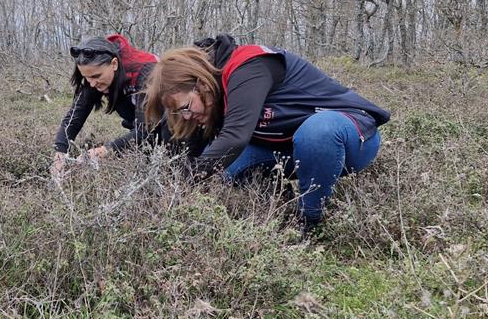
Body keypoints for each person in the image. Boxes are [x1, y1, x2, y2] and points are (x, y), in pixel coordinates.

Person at [144, 35, 390, 233]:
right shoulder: (211, 96)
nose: (186, 117)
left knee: (316, 132)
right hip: (290, 150)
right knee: (226, 168)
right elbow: (189, 151)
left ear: (201, 84)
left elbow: (235, 138)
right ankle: (283, 208)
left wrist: (189, 179)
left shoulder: (248, 66)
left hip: (351, 138)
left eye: (186, 107)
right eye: (179, 113)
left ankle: (310, 220)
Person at [51, 34, 159, 177]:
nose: (92, 83)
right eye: (86, 78)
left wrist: (105, 151)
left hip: (173, 124)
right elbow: (73, 119)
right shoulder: (93, 76)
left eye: (96, 76)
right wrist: (59, 154)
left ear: (114, 64)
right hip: (140, 125)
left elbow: (146, 129)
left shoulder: (146, 71)